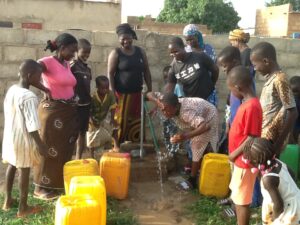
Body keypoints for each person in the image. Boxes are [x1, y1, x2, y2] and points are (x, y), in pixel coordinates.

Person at [34, 33, 79, 200]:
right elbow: (29, 71)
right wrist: (44, 89)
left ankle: (55, 185)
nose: (74, 54)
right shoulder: (47, 62)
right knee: (48, 148)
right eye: (72, 50)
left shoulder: (66, 64)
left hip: (66, 112)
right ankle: (40, 188)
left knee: (62, 150)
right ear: (62, 48)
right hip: (52, 114)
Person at [2, 60, 48, 217]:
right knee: (25, 169)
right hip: (23, 140)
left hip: (10, 137)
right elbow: (33, 126)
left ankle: (7, 201)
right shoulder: (29, 97)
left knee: (12, 165)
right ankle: (23, 208)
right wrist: (41, 145)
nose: (40, 80)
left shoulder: (12, 90)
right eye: (39, 76)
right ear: (29, 76)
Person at [218, 46, 262, 208]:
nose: (223, 69)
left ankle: (252, 202)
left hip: (243, 155)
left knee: (245, 191)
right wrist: (230, 123)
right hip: (238, 151)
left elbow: (251, 136)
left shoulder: (249, 102)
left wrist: (234, 154)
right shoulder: (240, 92)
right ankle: (237, 199)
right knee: (239, 185)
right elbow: (232, 105)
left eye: (224, 65)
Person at [147, 92, 218, 189]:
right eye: (163, 110)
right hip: (200, 113)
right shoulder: (166, 100)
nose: (164, 113)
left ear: (176, 107)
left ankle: (192, 180)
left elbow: (205, 126)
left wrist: (185, 136)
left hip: (209, 118)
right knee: (195, 140)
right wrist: (157, 102)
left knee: (196, 144)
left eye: (167, 111)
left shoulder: (186, 113)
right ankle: (199, 166)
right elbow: (149, 94)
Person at [226, 66, 262, 225]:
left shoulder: (252, 106)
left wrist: (234, 154)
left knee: (242, 202)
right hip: (239, 160)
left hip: (244, 161)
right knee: (238, 196)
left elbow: (252, 136)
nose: (231, 93)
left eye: (231, 90)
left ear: (238, 87)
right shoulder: (246, 103)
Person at [107, 23, 152, 145]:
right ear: (119, 40)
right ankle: (117, 147)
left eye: (128, 38)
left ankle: (136, 146)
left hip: (138, 94)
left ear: (132, 37)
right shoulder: (116, 53)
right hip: (121, 95)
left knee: (137, 121)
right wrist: (112, 94)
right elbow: (110, 74)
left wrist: (149, 91)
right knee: (120, 121)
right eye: (123, 39)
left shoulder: (140, 52)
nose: (126, 41)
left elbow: (146, 71)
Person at [250, 42, 298, 155]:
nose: (255, 69)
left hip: (271, 141)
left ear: (266, 61)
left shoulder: (280, 79)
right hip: (264, 138)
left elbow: (293, 112)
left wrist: (278, 144)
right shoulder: (271, 78)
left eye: (255, 65)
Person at [243, 137, 300, 225]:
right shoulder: (277, 162)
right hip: (296, 202)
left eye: (248, 160)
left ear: (256, 162)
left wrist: (274, 219)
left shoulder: (268, 180)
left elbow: (279, 206)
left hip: (286, 212)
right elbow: (292, 174)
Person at [165, 36, 219, 106]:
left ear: (183, 47)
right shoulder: (173, 68)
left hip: (208, 99)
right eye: (171, 53)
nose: (173, 55)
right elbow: (170, 88)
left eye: (176, 51)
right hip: (192, 104)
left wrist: (212, 84)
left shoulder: (200, 56)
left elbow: (215, 70)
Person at [70, 38, 92, 159]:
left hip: (86, 105)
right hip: (74, 106)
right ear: (77, 51)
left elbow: (87, 87)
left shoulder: (88, 69)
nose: (86, 55)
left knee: (82, 132)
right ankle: (68, 156)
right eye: (84, 52)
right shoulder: (72, 67)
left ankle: (78, 157)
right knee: (72, 132)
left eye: (88, 53)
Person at [86, 76, 118, 158]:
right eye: (102, 88)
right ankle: (92, 155)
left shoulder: (110, 94)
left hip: (105, 116)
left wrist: (112, 119)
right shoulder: (92, 97)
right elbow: (89, 110)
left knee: (114, 127)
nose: (105, 90)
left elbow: (113, 106)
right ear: (97, 87)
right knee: (91, 137)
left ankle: (116, 147)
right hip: (93, 118)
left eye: (107, 88)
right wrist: (92, 120)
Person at [289, 76, 300, 144]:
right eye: (294, 91)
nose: (295, 94)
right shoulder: (289, 102)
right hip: (293, 128)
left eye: (297, 91)